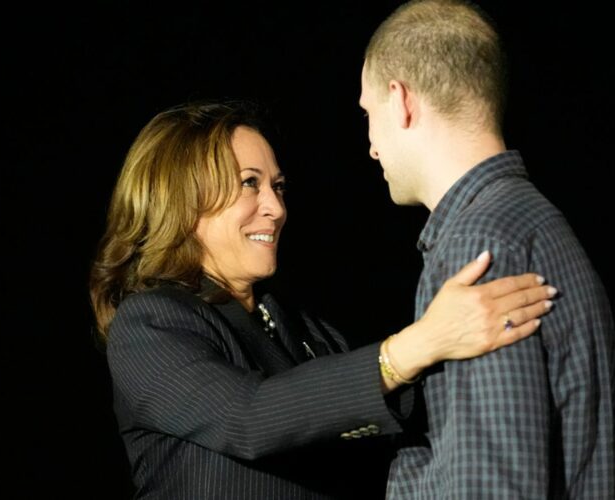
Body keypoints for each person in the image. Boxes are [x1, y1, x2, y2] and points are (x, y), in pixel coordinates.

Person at [88, 100, 557, 499]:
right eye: (249, 182)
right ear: (181, 197)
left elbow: (388, 416)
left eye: (278, 186)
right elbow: (248, 418)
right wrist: (420, 343)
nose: (275, 207)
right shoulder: (149, 324)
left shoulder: (300, 325)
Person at [358, 0, 615, 498]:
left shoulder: (477, 248)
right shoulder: (532, 222)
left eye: (368, 114)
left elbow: (491, 488)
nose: (371, 145)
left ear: (401, 100)